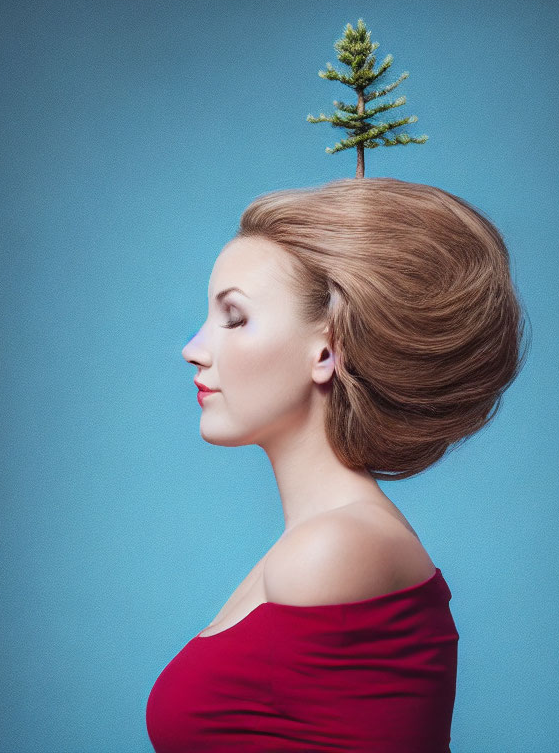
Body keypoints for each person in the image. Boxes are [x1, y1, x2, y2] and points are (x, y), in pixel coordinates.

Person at [146, 177, 529, 752]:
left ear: (325, 351)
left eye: (233, 318)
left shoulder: (333, 550)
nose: (194, 348)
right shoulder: (314, 542)